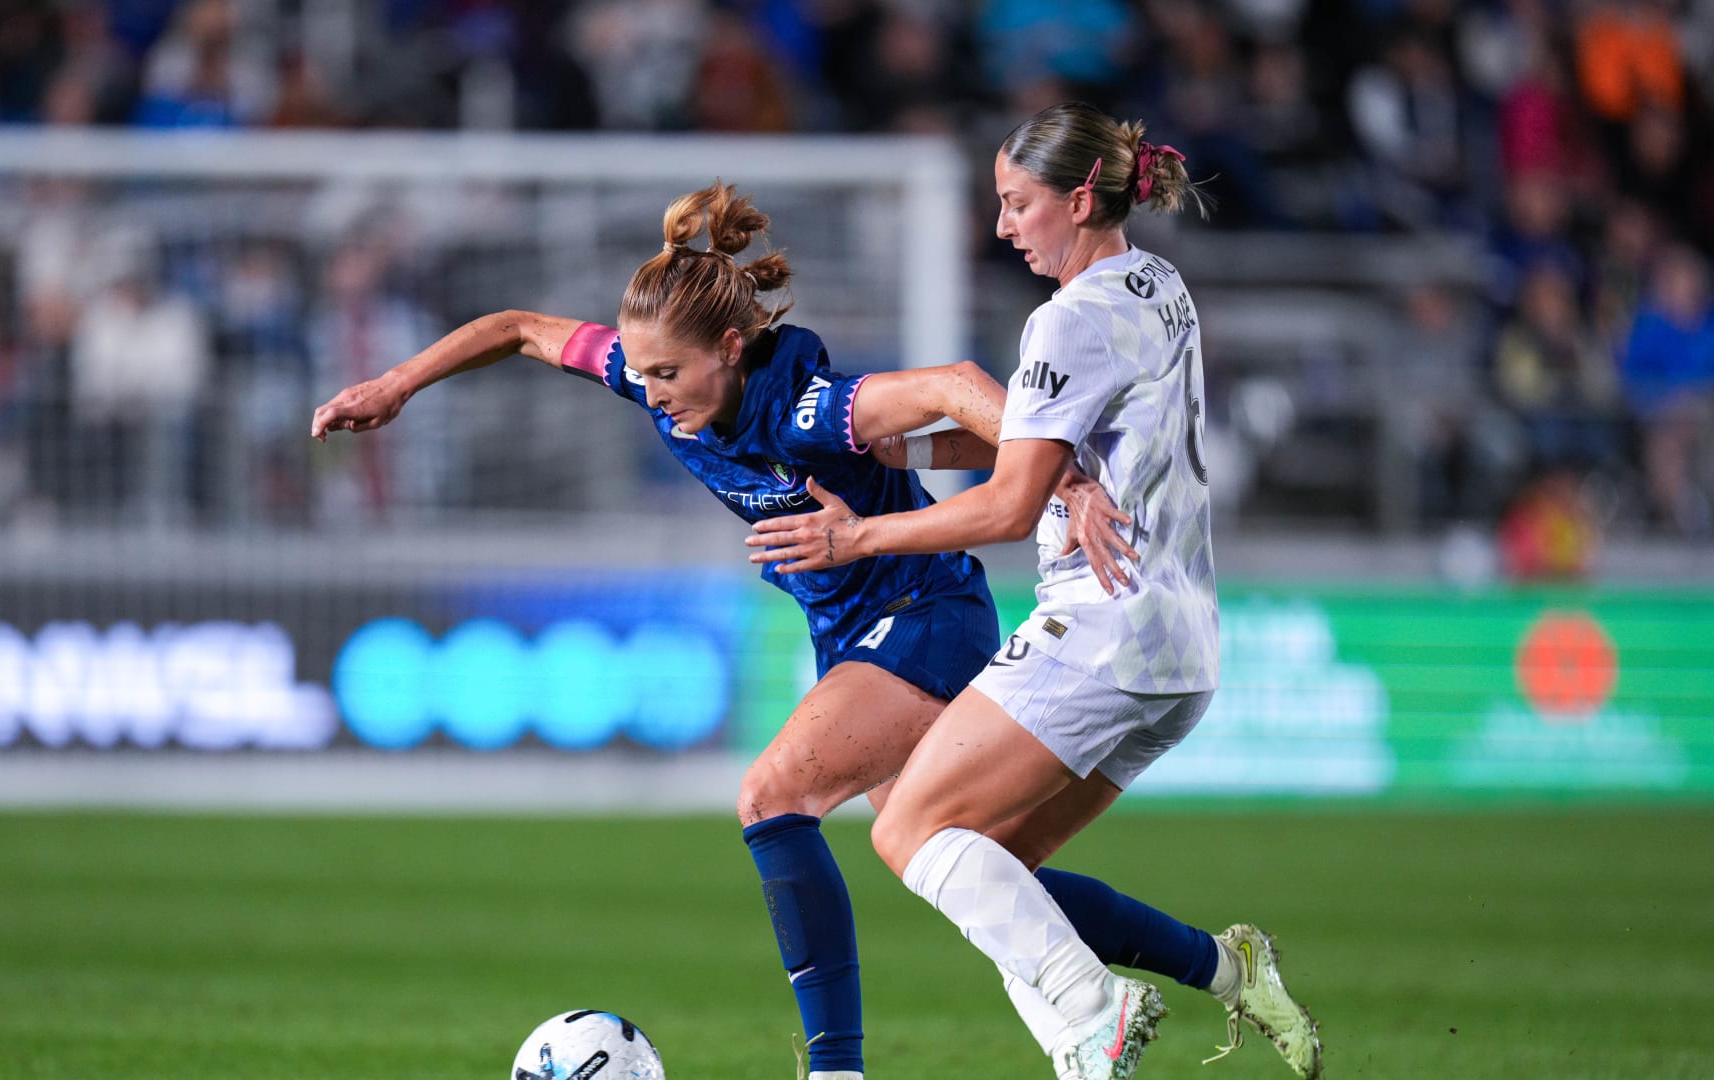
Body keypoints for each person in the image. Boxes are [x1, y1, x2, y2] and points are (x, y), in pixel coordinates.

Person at [309, 180, 1156, 1080]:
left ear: (728, 347)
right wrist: (395, 385)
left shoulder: (811, 409)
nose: (650, 393)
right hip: (853, 634)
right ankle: (1219, 966)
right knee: (965, 867)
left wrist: (1061, 479)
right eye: (641, 374)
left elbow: (957, 386)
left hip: (924, 616)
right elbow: (518, 327)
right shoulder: (652, 376)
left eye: (667, 375)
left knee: (771, 797)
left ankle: (836, 1069)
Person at [749, 102, 1324, 1080]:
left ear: (1081, 198)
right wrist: (906, 450)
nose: (1004, 225)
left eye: (1019, 204)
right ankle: (1212, 981)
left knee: (909, 829)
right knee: (994, 872)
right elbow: (1044, 436)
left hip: (1101, 625)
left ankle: (1096, 1010)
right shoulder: (1158, 284)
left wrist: (858, 536)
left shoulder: (1068, 318)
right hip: (1183, 649)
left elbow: (1012, 503)